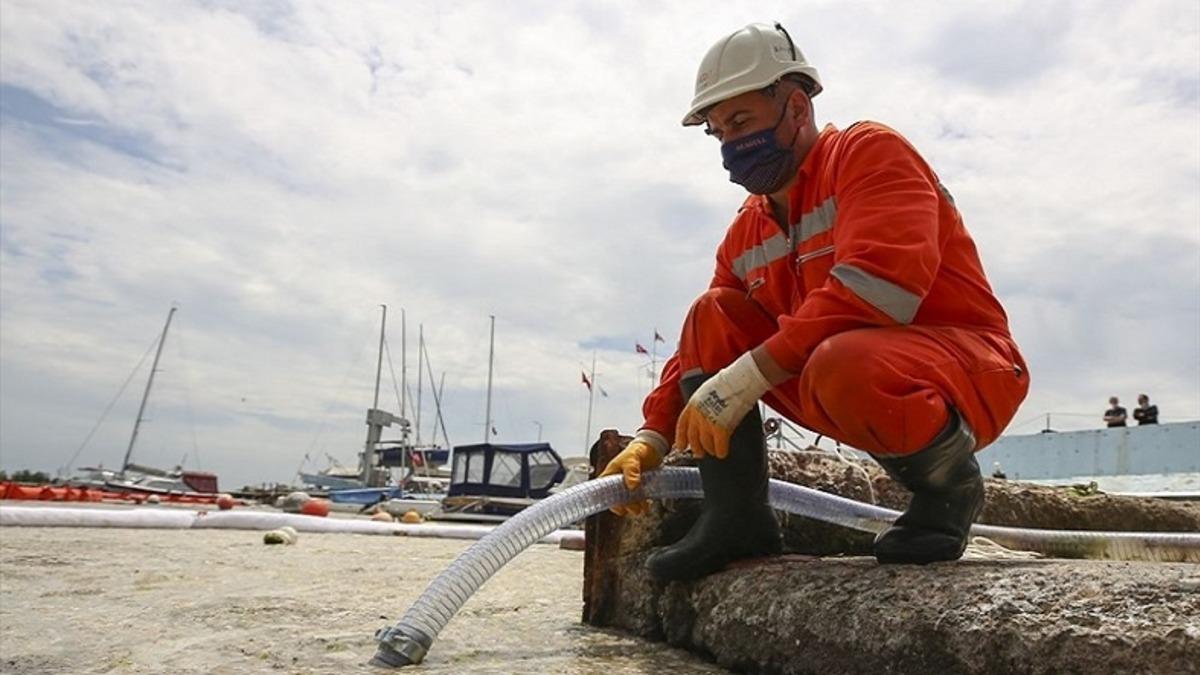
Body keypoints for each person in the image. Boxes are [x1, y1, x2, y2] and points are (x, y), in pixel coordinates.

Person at [599, 22, 1028, 578]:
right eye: (718, 131)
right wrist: (652, 436)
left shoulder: (869, 154)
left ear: (797, 107)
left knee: (841, 359)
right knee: (711, 313)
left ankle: (949, 492)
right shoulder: (746, 232)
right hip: (836, 373)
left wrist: (746, 377)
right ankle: (736, 519)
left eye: (741, 122)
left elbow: (878, 290)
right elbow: (702, 344)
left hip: (966, 367)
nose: (730, 145)